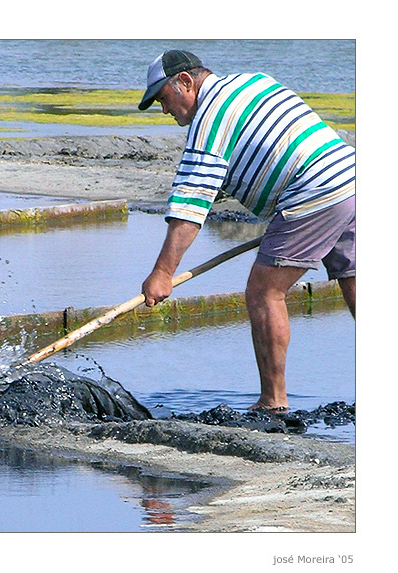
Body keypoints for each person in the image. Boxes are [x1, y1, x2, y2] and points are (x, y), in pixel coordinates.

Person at [137, 50, 355, 412]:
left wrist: (163, 274)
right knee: (353, 278)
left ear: (186, 82)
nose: (165, 109)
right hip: (348, 175)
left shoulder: (208, 121)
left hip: (313, 190)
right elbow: (265, 146)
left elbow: (189, 208)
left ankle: (273, 402)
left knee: (264, 291)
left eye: (163, 98)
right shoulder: (253, 81)